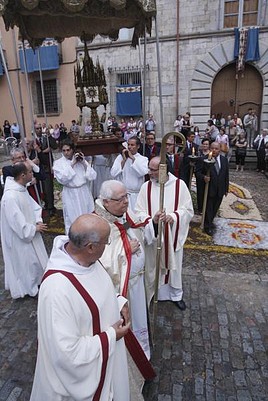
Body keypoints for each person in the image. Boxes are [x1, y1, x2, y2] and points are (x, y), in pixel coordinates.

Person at [30, 214, 131, 401]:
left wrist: (117, 301)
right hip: (76, 385)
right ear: (90, 247)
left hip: (107, 359)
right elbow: (67, 354)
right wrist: (111, 336)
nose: (107, 246)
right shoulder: (57, 290)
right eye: (106, 242)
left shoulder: (86, 260)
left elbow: (95, 287)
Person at [95, 180, 156, 399]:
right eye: (120, 199)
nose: (126, 202)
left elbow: (135, 224)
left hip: (136, 283)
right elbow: (102, 261)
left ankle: (143, 351)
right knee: (131, 323)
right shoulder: (100, 224)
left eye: (126, 197)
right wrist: (127, 251)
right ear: (106, 202)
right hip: (122, 291)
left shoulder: (120, 215)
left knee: (140, 320)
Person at [135, 156, 194, 311]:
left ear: (163, 169)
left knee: (173, 268)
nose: (149, 173)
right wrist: (152, 220)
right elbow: (138, 212)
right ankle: (155, 293)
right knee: (153, 266)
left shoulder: (179, 186)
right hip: (154, 236)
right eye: (149, 169)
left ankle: (175, 295)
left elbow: (187, 210)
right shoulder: (145, 187)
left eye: (153, 170)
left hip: (173, 235)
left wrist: (173, 217)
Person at [1, 162, 48, 299]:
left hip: (31, 232)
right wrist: (33, 228)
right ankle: (28, 288)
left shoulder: (21, 189)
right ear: (22, 175)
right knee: (25, 263)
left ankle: (37, 282)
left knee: (34, 261)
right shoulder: (10, 197)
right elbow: (16, 221)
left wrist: (38, 219)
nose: (32, 174)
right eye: (30, 172)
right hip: (19, 237)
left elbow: (33, 207)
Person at [53, 139, 97, 233]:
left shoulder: (81, 160)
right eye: (64, 150)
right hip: (70, 193)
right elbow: (63, 179)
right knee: (72, 217)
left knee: (87, 214)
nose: (66, 153)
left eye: (68, 150)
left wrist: (84, 163)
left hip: (83, 192)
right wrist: (72, 164)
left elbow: (92, 176)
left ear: (73, 150)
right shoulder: (58, 163)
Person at [195, 142, 229, 236]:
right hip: (209, 189)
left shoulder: (224, 160)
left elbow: (226, 174)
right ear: (210, 149)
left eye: (216, 149)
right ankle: (207, 226)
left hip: (220, 189)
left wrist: (226, 188)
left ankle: (210, 221)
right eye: (212, 148)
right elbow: (197, 172)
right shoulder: (203, 160)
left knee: (215, 208)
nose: (214, 150)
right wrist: (204, 177)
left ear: (219, 150)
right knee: (208, 208)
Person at [111, 136, 148, 210]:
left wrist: (133, 159)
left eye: (132, 145)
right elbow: (113, 173)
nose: (130, 147)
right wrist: (124, 161)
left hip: (137, 194)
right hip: (124, 194)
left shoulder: (143, 159)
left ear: (138, 146)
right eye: (129, 145)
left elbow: (142, 172)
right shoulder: (120, 158)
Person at [35, 125, 58, 216]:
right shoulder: (33, 141)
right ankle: (43, 205)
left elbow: (55, 146)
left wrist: (49, 136)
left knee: (48, 188)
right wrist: (43, 151)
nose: (39, 130)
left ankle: (50, 207)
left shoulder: (46, 139)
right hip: (37, 167)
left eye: (40, 128)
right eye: (37, 128)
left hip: (47, 167)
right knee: (40, 188)